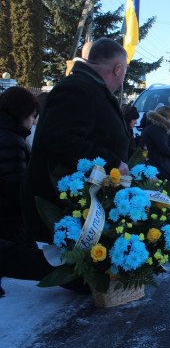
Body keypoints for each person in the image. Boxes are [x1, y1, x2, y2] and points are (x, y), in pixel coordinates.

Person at [21, 37, 131, 245]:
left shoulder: (90, 88)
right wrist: (113, 162)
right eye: (125, 70)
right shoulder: (78, 89)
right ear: (118, 69)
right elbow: (61, 139)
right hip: (64, 211)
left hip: (80, 206)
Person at [0, 87, 55, 297]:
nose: (33, 122)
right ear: (20, 113)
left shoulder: (9, 136)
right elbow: (14, 188)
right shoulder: (10, 141)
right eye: (32, 116)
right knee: (34, 262)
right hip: (8, 222)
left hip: (7, 220)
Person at [139, 105, 170, 185]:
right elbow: (164, 149)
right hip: (155, 164)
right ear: (166, 117)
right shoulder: (157, 129)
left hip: (152, 161)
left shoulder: (153, 127)